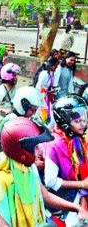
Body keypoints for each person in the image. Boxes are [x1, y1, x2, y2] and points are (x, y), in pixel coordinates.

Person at [0, 116, 88, 227]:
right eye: (35, 147)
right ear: (21, 151)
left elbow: (45, 196)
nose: (40, 151)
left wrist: (77, 208)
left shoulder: (29, 169)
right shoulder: (1, 181)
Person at [44, 95, 88, 226]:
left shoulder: (76, 138)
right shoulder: (54, 144)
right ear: (64, 122)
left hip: (80, 194)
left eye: (84, 120)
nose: (83, 124)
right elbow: (50, 181)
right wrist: (81, 185)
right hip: (65, 200)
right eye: (78, 121)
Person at [35, 56, 59, 126]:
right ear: (51, 65)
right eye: (55, 66)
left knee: (46, 113)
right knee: (43, 113)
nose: (56, 68)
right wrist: (47, 92)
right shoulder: (44, 74)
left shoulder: (51, 74)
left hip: (47, 97)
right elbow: (38, 87)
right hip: (42, 97)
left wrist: (52, 92)